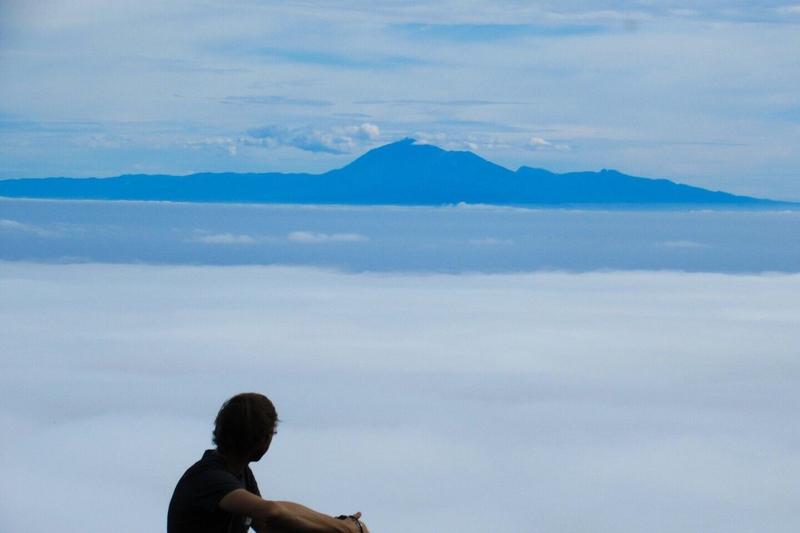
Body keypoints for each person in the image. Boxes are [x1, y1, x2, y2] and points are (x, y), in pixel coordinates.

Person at [168, 392, 369, 533]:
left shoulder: (239, 473)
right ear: (262, 440)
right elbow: (271, 512)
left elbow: (267, 525)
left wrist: (336, 526)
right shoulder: (209, 478)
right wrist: (345, 528)